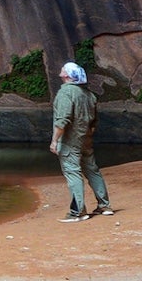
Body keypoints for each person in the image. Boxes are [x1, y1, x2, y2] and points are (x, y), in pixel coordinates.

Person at [49, 60, 112, 221]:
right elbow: (94, 121)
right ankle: (104, 206)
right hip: (86, 138)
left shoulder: (66, 93)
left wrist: (54, 141)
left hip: (71, 140)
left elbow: (62, 119)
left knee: (72, 172)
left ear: (67, 76)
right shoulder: (89, 95)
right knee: (92, 170)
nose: (61, 70)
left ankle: (78, 211)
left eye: (63, 69)